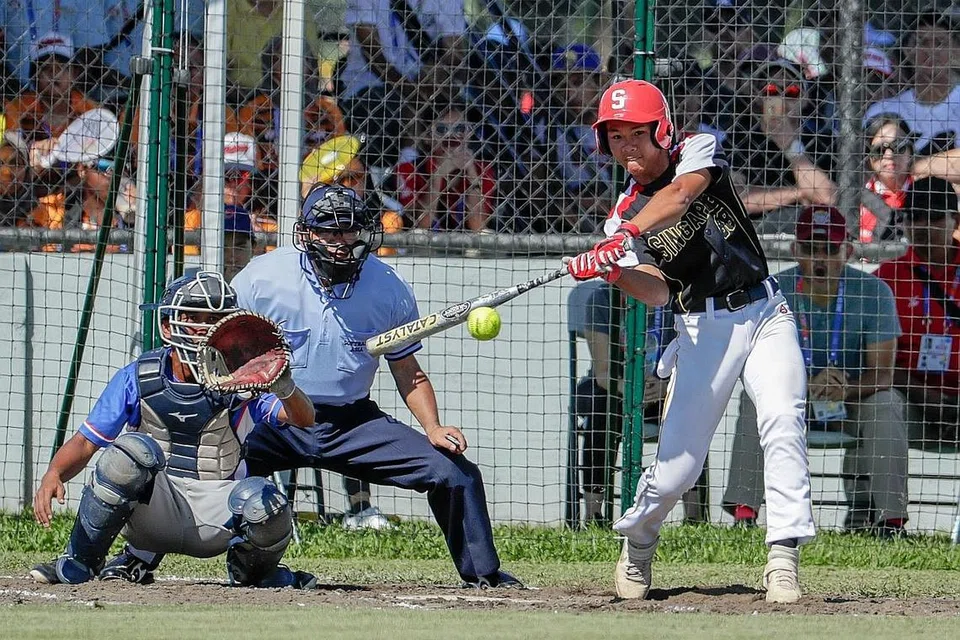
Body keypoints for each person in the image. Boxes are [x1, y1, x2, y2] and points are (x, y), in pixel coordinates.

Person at [563, 80, 815, 603]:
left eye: (638, 134)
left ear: (662, 131)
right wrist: (612, 271)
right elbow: (657, 293)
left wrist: (622, 240)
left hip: (764, 309)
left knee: (783, 420)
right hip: (700, 329)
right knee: (679, 466)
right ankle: (638, 541)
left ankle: (783, 557)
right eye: (615, 136)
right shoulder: (621, 215)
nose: (628, 147)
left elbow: (680, 196)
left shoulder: (695, 151)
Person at [231, 184, 521, 588]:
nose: (339, 242)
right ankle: (143, 555)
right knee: (205, 469)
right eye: (328, 231)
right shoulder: (261, 279)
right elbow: (225, 349)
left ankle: (484, 575)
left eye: (349, 231)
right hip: (275, 415)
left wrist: (433, 428)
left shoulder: (388, 287)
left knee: (455, 474)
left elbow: (407, 371)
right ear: (306, 233)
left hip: (352, 422)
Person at [30, 271, 318, 588]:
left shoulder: (243, 380)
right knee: (129, 454)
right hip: (153, 511)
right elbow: (86, 442)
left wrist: (285, 387)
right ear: (168, 326)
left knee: (266, 501)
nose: (207, 328)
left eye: (216, 319)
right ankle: (79, 564)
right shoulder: (139, 376)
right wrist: (53, 474)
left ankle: (255, 574)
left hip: (217, 513)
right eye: (194, 317)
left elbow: (303, 419)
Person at [723, 206, 908, 537]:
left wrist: (847, 387)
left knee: (888, 402)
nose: (820, 259)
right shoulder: (773, 290)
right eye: (811, 249)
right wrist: (802, 385)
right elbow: (751, 364)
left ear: (847, 252)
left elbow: (883, 374)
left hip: (851, 399)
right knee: (752, 402)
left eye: (830, 249)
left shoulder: (874, 291)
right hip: (791, 398)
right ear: (796, 250)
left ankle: (890, 522)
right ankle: (744, 514)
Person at [572, 282, 707, 525]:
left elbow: (693, 360)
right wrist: (632, 389)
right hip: (616, 391)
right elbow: (603, 373)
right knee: (599, 410)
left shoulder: (674, 299)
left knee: (690, 408)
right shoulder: (601, 300)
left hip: (664, 390)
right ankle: (593, 515)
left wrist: (667, 387)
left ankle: (694, 516)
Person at [876, 177, 960, 451]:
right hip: (909, 399)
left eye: (934, 217)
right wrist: (927, 397)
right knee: (883, 407)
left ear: (955, 221)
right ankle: (873, 496)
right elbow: (874, 364)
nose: (923, 225)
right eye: (915, 217)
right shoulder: (885, 279)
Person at [863, 12, 960, 157]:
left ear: (956, 51)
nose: (930, 51)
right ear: (907, 50)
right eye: (921, 42)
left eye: (940, 43)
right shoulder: (881, 110)